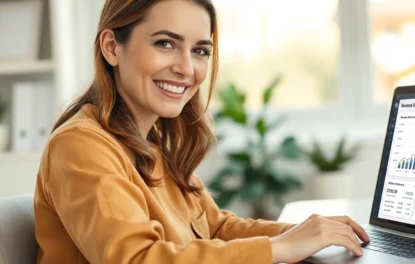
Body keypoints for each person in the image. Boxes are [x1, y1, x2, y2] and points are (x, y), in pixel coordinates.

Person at [33, 0, 369, 263]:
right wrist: (278, 247)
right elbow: (135, 258)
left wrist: (310, 232)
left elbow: (216, 228)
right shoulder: (81, 144)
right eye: (165, 43)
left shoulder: (153, 142)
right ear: (111, 47)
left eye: (200, 51)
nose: (187, 68)